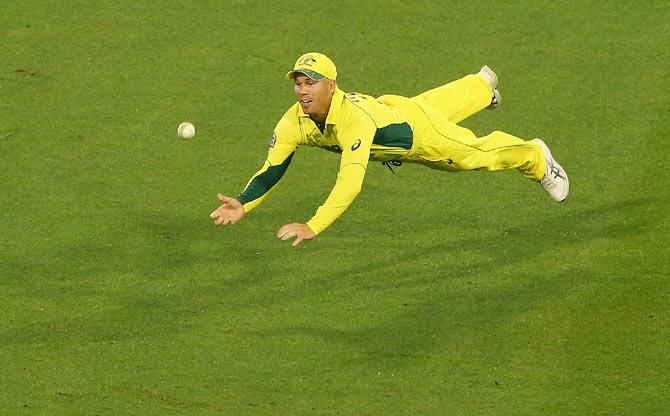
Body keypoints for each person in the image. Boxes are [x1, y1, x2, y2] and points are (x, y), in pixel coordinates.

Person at [209, 52, 569, 247]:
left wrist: (314, 225)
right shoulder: (293, 121)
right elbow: (273, 167)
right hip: (394, 107)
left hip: (420, 137)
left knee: (471, 155)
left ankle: (533, 156)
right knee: (427, 105)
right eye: (299, 83)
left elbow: (349, 181)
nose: (303, 91)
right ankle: (479, 87)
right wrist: (244, 201)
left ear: (331, 86)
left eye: (311, 84)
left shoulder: (353, 122)